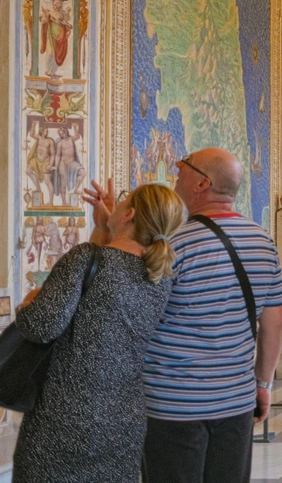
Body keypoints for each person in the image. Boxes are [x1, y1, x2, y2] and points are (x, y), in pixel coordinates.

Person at [131, 148, 282, 482]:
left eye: (183, 165)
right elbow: (275, 321)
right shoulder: (263, 241)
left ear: (203, 183)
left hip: (173, 405)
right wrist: (263, 383)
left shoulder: (173, 244)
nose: (176, 168)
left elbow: (136, 317)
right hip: (236, 401)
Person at [15, 183, 184, 482]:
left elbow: (41, 327)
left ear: (129, 213)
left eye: (122, 202)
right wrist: (105, 227)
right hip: (123, 420)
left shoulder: (86, 258)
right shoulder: (160, 275)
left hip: (63, 417)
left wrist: (29, 303)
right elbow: (101, 285)